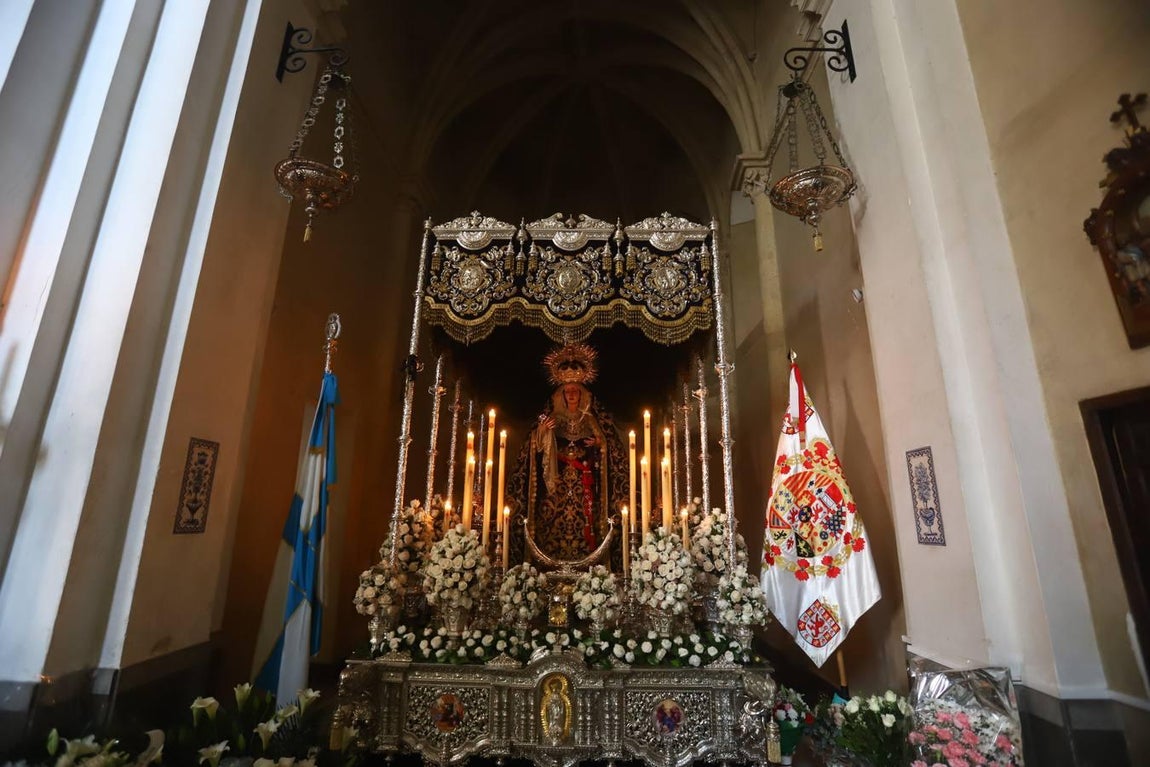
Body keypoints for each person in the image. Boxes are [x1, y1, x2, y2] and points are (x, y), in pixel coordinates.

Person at [508, 343, 627, 567]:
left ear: (582, 395)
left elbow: (607, 450)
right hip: (556, 488)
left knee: (586, 524)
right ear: (561, 395)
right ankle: (547, 563)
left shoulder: (592, 420)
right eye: (567, 392)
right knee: (550, 523)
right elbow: (534, 450)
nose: (571, 395)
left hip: (585, 486)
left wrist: (598, 444)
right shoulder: (550, 417)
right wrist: (544, 432)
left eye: (575, 391)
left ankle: (589, 565)